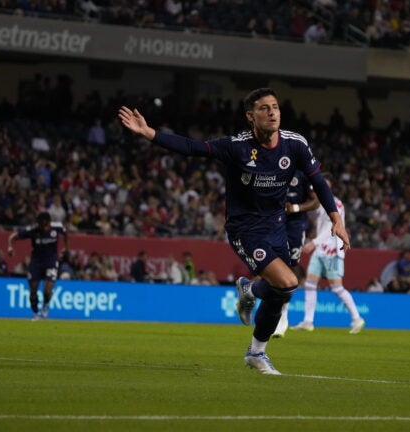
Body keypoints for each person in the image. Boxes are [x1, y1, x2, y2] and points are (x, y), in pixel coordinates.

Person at [119, 88, 350, 375]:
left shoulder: (295, 145)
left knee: (282, 292)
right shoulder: (236, 146)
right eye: (264, 108)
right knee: (288, 282)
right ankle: (254, 337)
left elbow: (319, 183)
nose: (272, 112)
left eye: (275, 107)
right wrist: (149, 132)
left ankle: (254, 332)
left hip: (277, 225)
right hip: (245, 228)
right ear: (250, 116)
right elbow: (193, 147)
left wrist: (335, 218)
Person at [291, 176, 365, 334]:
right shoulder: (320, 204)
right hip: (320, 251)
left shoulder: (335, 204)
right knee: (310, 284)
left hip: (333, 251)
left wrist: (314, 242)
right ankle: (308, 321)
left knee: (337, 287)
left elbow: (332, 227)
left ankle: (357, 318)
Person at [272, 170, 319, 337]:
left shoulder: (303, 174)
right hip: (274, 223)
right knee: (273, 266)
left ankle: (283, 313)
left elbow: (316, 201)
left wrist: (297, 207)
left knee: (290, 269)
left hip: (295, 227)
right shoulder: (274, 167)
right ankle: (277, 314)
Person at [7, 211, 69, 320]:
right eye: (42, 225)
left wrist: (66, 248)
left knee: (47, 291)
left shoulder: (57, 227)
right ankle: (35, 313)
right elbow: (13, 237)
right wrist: (10, 247)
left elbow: (65, 233)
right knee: (33, 292)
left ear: (49, 223)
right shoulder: (32, 230)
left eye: (46, 225)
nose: (45, 228)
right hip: (36, 262)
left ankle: (45, 307)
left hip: (51, 261)